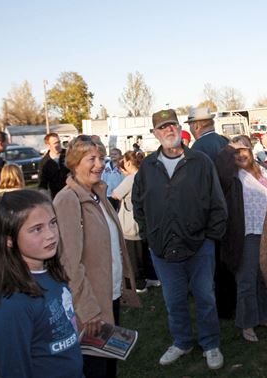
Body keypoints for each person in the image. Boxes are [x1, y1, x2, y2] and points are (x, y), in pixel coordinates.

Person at [132, 109, 227, 369]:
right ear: (155, 134)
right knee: (173, 301)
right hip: (163, 250)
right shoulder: (148, 167)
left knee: (205, 297)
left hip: (200, 247)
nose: (168, 130)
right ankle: (182, 342)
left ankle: (211, 343)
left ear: (179, 128)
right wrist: (148, 235)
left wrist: (210, 238)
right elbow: (138, 204)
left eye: (172, 125)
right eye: (162, 128)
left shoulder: (200, 162)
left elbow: (218, 203)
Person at [53, 135, 139, 378]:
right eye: (91, 159)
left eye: (100, 158)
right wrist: (87, 309)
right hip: (90, 305)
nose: (99, 164)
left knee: (109, 362)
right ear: (74, 162)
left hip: (109, 295)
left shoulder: (97, 193)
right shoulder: (68, 200)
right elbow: (69, 262)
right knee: (95, 369)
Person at [0, 190, 83, 378]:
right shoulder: (13, 304)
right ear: (9, 240)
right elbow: (14, 370)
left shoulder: (53, 274)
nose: (51, 235)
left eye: (53, 223)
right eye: (37, 229)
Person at [215, 136, 267, 343]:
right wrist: (228, 149)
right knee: (246, 279)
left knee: (263, 278)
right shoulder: (232, 176)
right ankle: (246, 323)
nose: (241, 155)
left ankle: (263, 316)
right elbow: (219, 170)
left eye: (244, 150)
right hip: (247, 234)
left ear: (252, 151)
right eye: (235, 152)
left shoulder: (263, 170)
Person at [186, 106, 235, 319]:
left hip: (213, 214)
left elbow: (197, 187)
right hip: (233, 209)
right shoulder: (226, 142)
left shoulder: (197, 148)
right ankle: (234, 302)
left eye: (190, 125)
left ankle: (224, 307)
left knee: (216, 263)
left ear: (196, 125)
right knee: (232, 258)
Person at [112, 151, 149, 293]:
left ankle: (139, 284)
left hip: (131, 222)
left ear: (128, 163)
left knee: (133, 257)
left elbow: (115, 194)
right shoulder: (145, 175)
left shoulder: (131, 178)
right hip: (144, 220)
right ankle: (151, 277)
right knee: (144, 253)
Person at [38, 133, 70, 199]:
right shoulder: (44, 163)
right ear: (48, 145)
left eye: (59, 142)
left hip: (73, 194)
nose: (58, 145)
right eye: (55, 143)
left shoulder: (69, 155)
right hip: (56, 198)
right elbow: (42, 185)